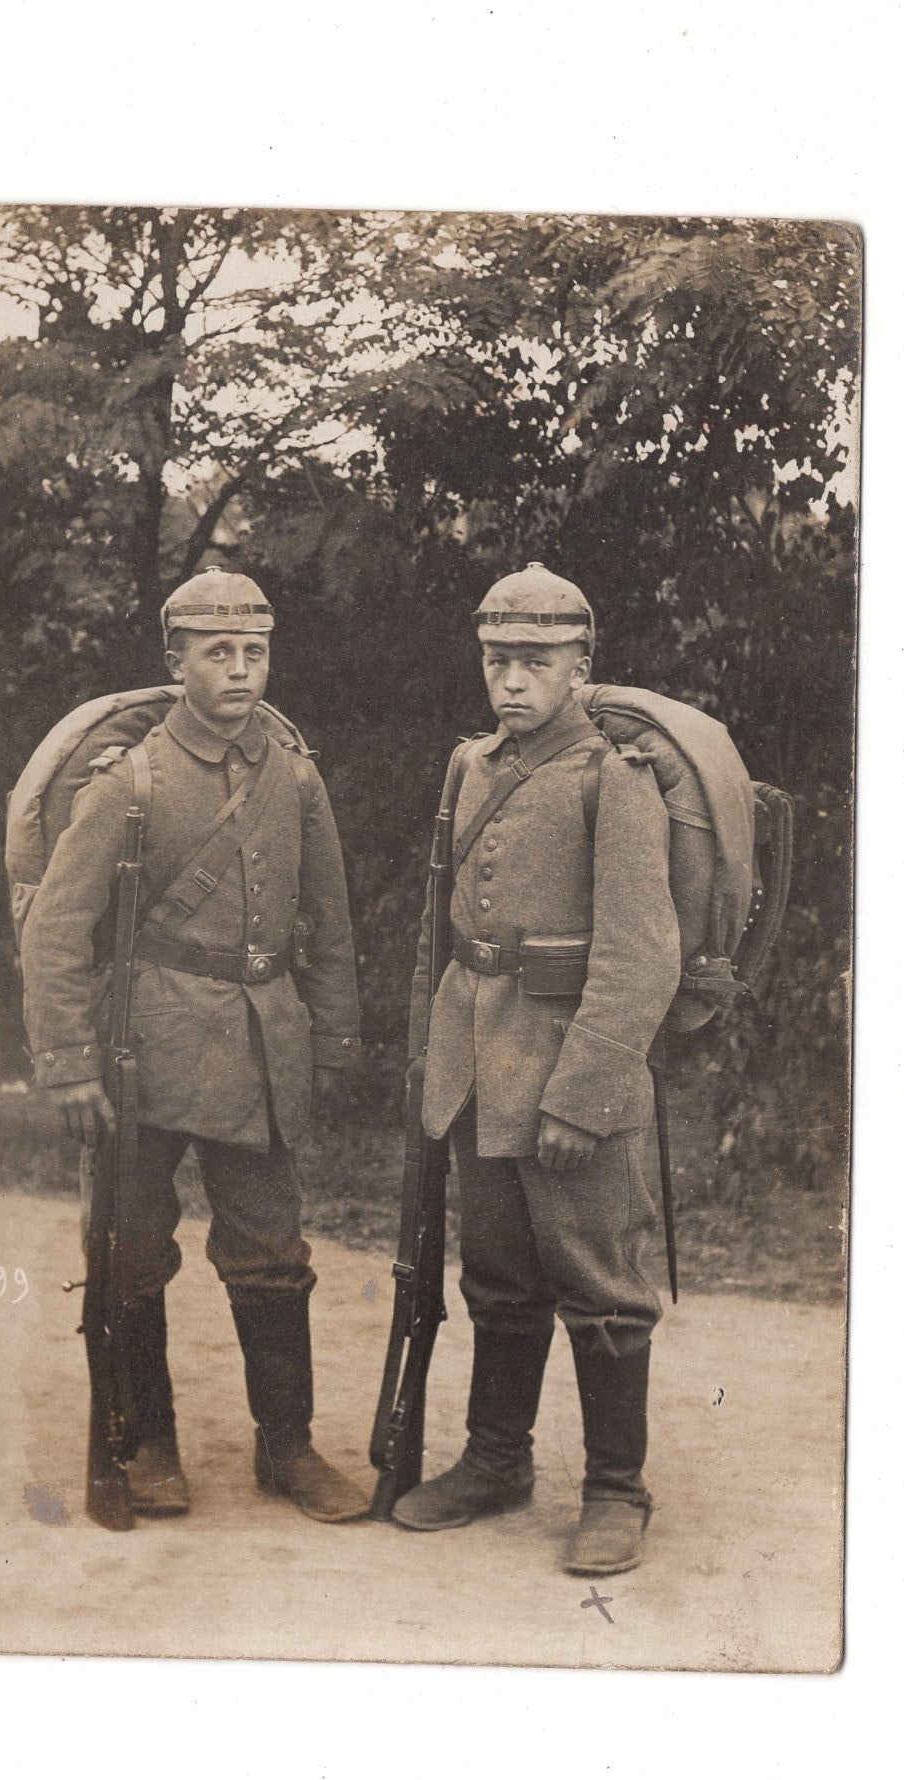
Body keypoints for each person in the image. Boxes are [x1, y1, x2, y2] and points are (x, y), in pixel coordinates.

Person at [19, 563, 369, 1523]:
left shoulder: (295, 777)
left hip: (260, 1048)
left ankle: (287, 1448)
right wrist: (67, 1065)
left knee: (270, 1251)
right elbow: (55, 930)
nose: (241, 670)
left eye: (255, 652)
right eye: (219, 653)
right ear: (176, 662)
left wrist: (332, 1037)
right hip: (146, 1049)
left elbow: (329, 920)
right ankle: (149, 1445)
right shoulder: (131, 781)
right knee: (131, 1252)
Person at [391, 563, 681, 1574]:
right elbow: (444, 930)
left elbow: (641, 954)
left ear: (580, 666)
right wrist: (435, 1060)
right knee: (500, 1278)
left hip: (569, 1072)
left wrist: (587, 1093)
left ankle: (613, 1490)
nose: (511, 679)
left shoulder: (614, 779)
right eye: (496, 658)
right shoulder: (472, 766)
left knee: (599, 1284)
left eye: (535, 661)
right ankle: (494, 1461)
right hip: (479, 1061)